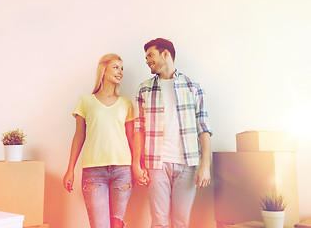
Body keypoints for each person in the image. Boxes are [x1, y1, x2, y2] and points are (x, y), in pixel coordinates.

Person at [132, 38, 213, 228]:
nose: (147, 61)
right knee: (159, 223)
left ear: (165, 54)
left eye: (150, 55)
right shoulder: (144, 89)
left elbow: (204, 128)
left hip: (188, 164)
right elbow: (139, 129)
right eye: (146, 57)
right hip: (156, 164)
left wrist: (205, 165)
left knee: (181, 223)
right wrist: (136, 163)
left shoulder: (193, 86)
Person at [63, 53, 134, 228]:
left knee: (117, 225)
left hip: (122, 171)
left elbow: (131, 137)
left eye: (122, 68)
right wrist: (70, 169)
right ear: (103, 69)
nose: (120, 72)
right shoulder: (86, 101)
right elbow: (79, 135)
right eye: (116, 67)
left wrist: (138, 166)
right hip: (93, 172)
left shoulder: (126, 104)